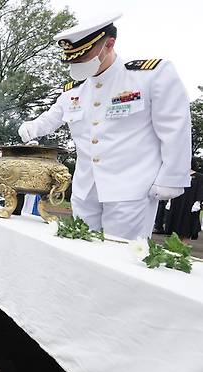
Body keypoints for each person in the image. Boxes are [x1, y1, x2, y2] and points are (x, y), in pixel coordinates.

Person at [17, 13, 191, 240]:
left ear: (109, 44)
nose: (76, 63)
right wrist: (32, 127)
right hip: (85, 190)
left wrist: (171, 177)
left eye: (82, 56)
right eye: (72, 59)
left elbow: (175, 128)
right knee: (82, 249)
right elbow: (51, 118)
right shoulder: (74, 91)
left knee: (121, 258)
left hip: (131, 189)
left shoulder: (149, 76)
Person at [164, 160, 203, 241]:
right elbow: (173, 187)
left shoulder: (199, 177)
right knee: (175, 223)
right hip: (177, 201)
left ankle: (184, 243)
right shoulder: (179, 175)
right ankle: (174, 243)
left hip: (190, 203)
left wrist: (198, 202)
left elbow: (200, 189)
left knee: (187, 225)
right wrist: (169, 200)